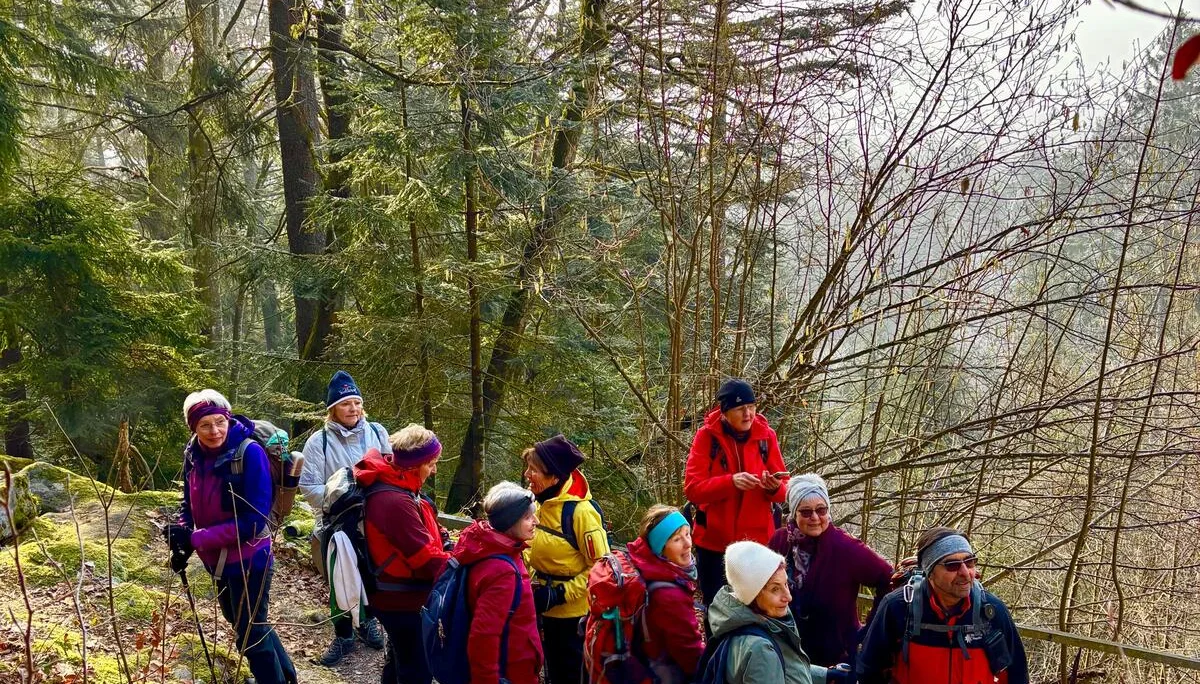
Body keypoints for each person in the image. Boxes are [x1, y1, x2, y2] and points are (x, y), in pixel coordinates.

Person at [164, 390, 296, 684]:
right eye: (205, 425)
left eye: (219, 422)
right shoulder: (193, 453)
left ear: (228, 418)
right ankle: (287, 676)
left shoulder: (249, 453)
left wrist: (196, 539)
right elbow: (188, 501)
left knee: (250, 635)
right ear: (193, 427)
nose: (214, 431)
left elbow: (254, 521)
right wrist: (183, 534)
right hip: (218, 560)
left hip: (251, 558)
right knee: (246, 623)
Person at [856, 527, 1029, 684]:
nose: (965, 573)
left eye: (969, 562)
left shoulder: (991, 611)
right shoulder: (898, 607)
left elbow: (1016, 674)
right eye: (952, 565)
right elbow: (869, 671)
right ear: (930, 572)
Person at [300, 369, 391, 665]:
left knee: (371, 572)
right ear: (333, 409)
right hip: (335, 522)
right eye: (345, 404)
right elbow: (309, 485)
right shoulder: (319, 442)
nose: (352, 409)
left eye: (356, 403)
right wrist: (341, 497)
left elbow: (390, 469)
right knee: (339, 577)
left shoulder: (377, 432)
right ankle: (343, 635)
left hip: (372, 519)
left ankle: (367, 622)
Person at [354, 424, 452, 684]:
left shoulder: (399, 483)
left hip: (397, 595)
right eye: (431, 464)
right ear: (415, 465)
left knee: (400, 660)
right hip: (402, 600)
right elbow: (425, 559)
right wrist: (463, 563)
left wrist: (447, 543)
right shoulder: (394, 500)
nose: (434, 470)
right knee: (416, 670)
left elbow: (428, 527)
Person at [767, 473, 893, 667]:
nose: (815, 518)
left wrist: (868, 631)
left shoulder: (846, 548)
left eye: (821, 510)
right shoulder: (780, 541)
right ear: (793, 513)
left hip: (835, 658)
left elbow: (888, 578)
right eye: (806, 512)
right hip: (787, 651)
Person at [684, 378, 789, 605]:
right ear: (724, 412)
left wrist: (774, 488)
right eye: (740, 409)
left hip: (757, 545)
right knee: (717, 609)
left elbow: (785, 489)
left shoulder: (766, 436)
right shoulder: (707, 437)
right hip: (715, 546)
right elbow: (692, 489)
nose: (748, 414)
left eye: (751, 407)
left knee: (757, 609)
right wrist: (730, 482)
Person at [523, 434, 611, 684]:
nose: (527, 475)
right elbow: (533, 545)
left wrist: (560, 594)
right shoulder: (540, 503)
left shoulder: (581, 513)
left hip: (574, 618)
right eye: (527, 468)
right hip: (543, 608)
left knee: (571, 676)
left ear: (554, 477)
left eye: (534, 470)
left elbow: (602, 568)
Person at [706, 541, 837, 683]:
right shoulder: (761, 649)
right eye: (775, 589)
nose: (788, 597)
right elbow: (767, 666)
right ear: (752, 595)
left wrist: (826, 675)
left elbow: (782, 668)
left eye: (786, 584)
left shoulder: (743, 620)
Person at [453, 482, 545, 684]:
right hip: (512, 670)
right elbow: (484, 636)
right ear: (509, 521)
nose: (536, 521)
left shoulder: (490, 546)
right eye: (528, 517)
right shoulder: (502, 571)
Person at [626, 505, 704, 683]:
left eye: (687, 534)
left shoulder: (649, 569)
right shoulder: (668, 595)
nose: (688, 544)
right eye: (677, 539)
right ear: (660, 548)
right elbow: (690, 654)